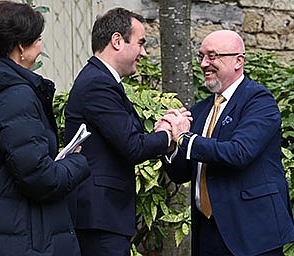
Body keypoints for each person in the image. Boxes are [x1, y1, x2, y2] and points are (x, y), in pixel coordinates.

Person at [63, 7, 190, 256]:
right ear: (117, 41)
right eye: (141, 43)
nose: (143, 52)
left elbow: (125, 137)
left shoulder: (102, 81)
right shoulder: (98, 83)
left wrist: (159, 132)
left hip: (103, 215)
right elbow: (131, 147)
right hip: (99, 216)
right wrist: (171, 134)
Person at [160, 30, 294, 255]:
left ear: (238, 61)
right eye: (201, 56)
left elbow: (239, 153)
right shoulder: (201, 110)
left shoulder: (259, 101)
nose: (204, 64)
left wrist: (184, 138)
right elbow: (181, 174)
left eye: (212, 56)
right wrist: (170, 146)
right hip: (207, 231)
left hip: (252, 232)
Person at [0, 1, 90, 256]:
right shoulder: (16, 96)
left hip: (0, 229)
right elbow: (40, 178)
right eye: (38, 40)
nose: (41, 48)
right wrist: (76, 162)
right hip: (25, 239)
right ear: (21, 46)